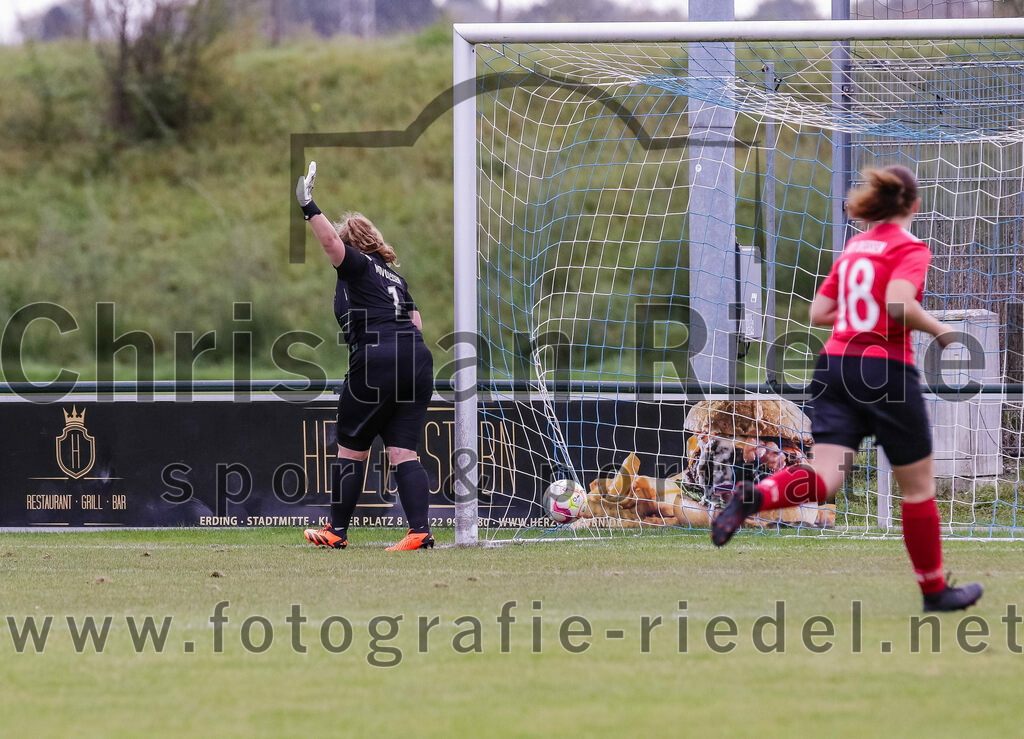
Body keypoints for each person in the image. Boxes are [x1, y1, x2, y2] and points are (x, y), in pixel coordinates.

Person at [711, 165, 983, 612]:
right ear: (913, 205)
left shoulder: (856, 247)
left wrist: (859, 319)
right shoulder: (909, 247)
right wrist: (940, 330)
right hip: (885, 371)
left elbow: (819, 312)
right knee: (917, 489)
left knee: (824, 478)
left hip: (834, 366)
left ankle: (753, 496)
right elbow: (898, 303)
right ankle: (935, 590)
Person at [295, 161, 436, 551]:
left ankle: (336, 531)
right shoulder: (396, 278)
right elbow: (417, 323)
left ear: (354, 243)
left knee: (351, 448)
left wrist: (308, 206)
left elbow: (330, 245)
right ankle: (419, 531)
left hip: (378, 358)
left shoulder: (357, 266)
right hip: (417, 359)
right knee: (403, 450)